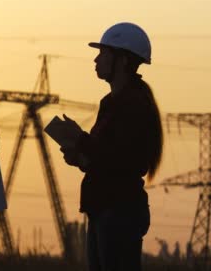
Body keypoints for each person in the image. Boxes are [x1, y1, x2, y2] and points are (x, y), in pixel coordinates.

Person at [59, 22, 163, 271]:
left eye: (104, 53)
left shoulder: (134, 105)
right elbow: (105, 159)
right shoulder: (112, 103)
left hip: (119, 212)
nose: (96, 60)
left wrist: (81, 140)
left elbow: (120, 159)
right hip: (104, 209)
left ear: (123, 61)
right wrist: (81, 158)